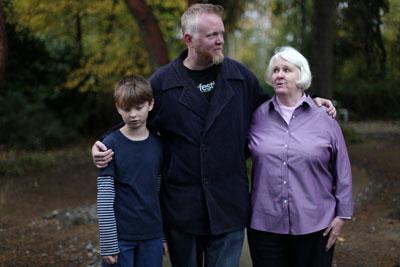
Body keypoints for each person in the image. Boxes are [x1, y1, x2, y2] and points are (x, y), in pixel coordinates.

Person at [92, 4, 336, 267]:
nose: (220, 40)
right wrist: (105, 143)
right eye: (212, 36)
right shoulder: (163, 82)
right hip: (182, 209)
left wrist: (308, 103)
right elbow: (135, 118)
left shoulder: (240, 77)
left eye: (221, 33)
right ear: (189, 40)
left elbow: (274, 113)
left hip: (229, 205)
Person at [247, 46, 354, 267]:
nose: (279, 74)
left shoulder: (324, 118)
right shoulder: (257, 116)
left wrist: (342, 215)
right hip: (265, 225)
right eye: (275, 70)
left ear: (301, 75)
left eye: (287, 69)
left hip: (316, 225)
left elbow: (342, 168)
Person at [97, 75, 168, 266]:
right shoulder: (109, 145)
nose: (133, 114)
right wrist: (108, 243)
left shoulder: (159, 145)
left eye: (139, 108)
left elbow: (158, 193)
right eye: (127, 109)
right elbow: (104, 198)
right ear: (118, 107)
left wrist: (161, 235)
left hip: (151, 237)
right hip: (121, 239)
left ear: (150, 104)